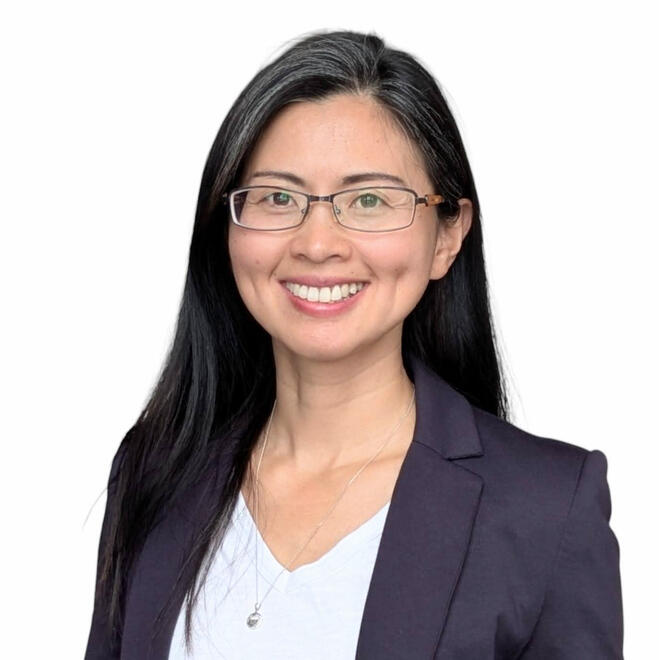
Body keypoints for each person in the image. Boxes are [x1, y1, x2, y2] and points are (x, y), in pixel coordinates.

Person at [84, 29, 624, 660]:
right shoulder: (156, 468)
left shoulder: (547, 508)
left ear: (447, 235)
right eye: (278, 197)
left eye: (368, 199)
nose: (318, 244)